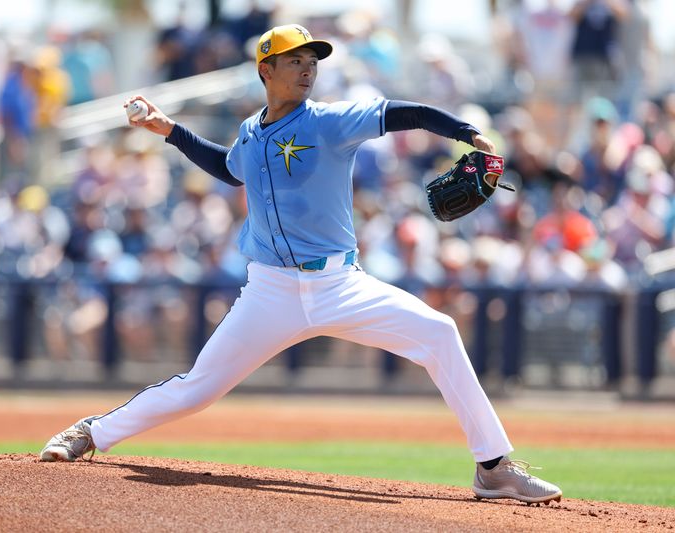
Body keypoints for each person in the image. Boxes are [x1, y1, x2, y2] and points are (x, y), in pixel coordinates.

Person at [40, 24, 562, 505]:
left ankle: (493, 468)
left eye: (313, 59)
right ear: (266, 70)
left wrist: (468, 132)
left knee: (440, 333)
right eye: (295, 60)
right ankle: (92, 431)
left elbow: (408, 113)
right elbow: (228, 169)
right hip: (269, 293)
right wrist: (170, 130)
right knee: (198, 387)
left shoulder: (334, 120)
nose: (308, 67)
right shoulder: (249, 132)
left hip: (341, 284)